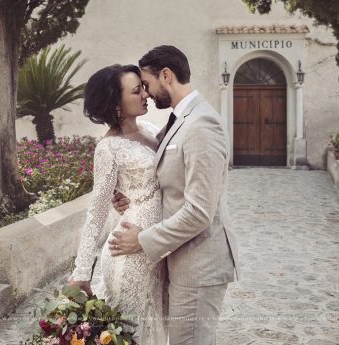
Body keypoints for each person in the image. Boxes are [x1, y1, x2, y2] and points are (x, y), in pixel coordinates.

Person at [108, 45, 240, 345]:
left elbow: (199, 211)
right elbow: (169, 183)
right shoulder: (181, 120)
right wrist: (131, 195)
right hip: (184, 262)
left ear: (166, 75)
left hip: (200, 267)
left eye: (148, 84)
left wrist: (142, 239)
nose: (148, 93)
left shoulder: (201, 124)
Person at [68, 64, 168, 344]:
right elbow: (96, 212)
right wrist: (81, 272)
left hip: (155, 248)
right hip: (129, 255)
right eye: (137, 91)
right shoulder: (108, 148)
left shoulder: (150, 129)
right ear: (116, 105)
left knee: (155, 329)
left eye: (143, 88)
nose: (146, 95)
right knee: (131, 333)